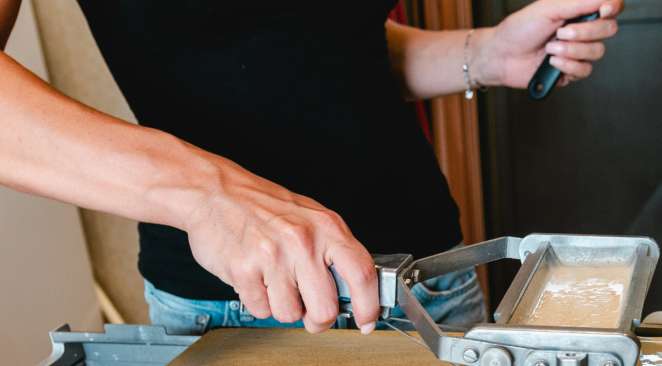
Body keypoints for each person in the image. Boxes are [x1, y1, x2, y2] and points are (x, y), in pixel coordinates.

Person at [0, 0, 624, 334]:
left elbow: (308, 46)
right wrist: (206, 193)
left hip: (430, 282)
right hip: (232, 309)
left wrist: (481, 54)